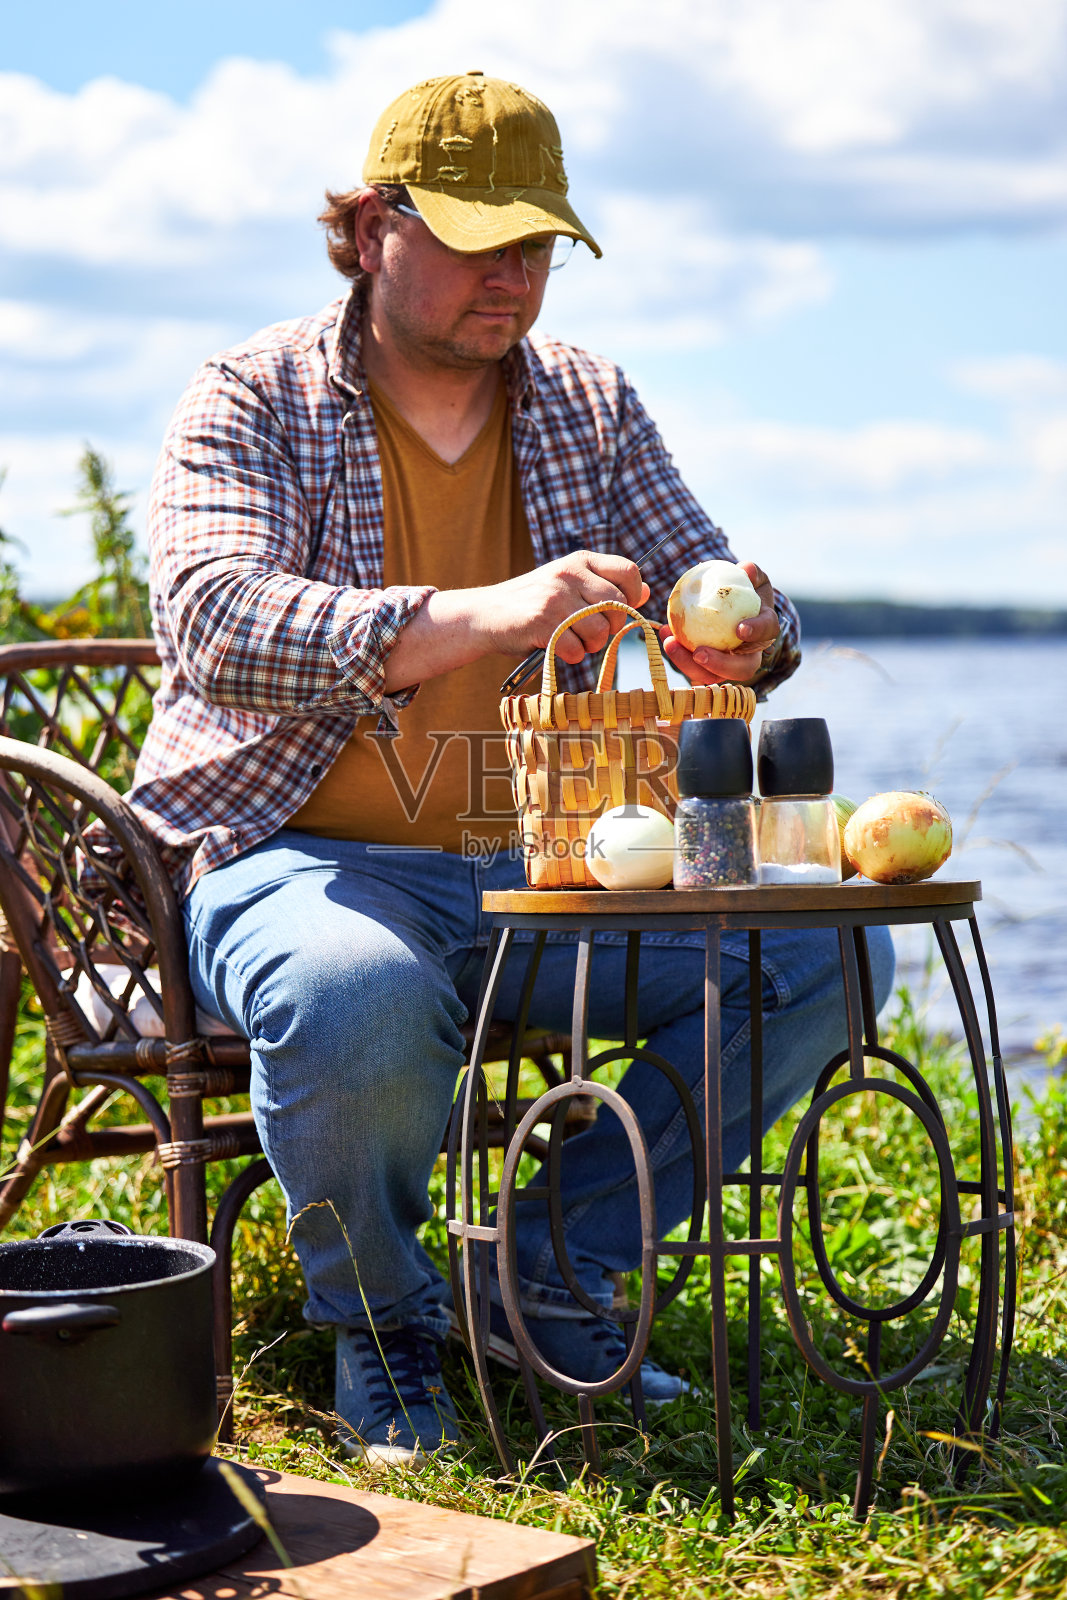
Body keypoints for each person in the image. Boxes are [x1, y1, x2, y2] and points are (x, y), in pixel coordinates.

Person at [129, 71, 894, 1466]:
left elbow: (712, 584)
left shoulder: (591, 401)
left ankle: (537, 1265)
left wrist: (754, 633)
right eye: (480, 240)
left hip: (547, 869)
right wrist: (484, 611)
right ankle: (385, 1327)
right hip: (294, 855)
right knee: (352, 996)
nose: (513, 277)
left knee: (826, 962)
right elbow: (213, 623)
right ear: (372, 229)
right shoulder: (252, 393)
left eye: (537, 246)